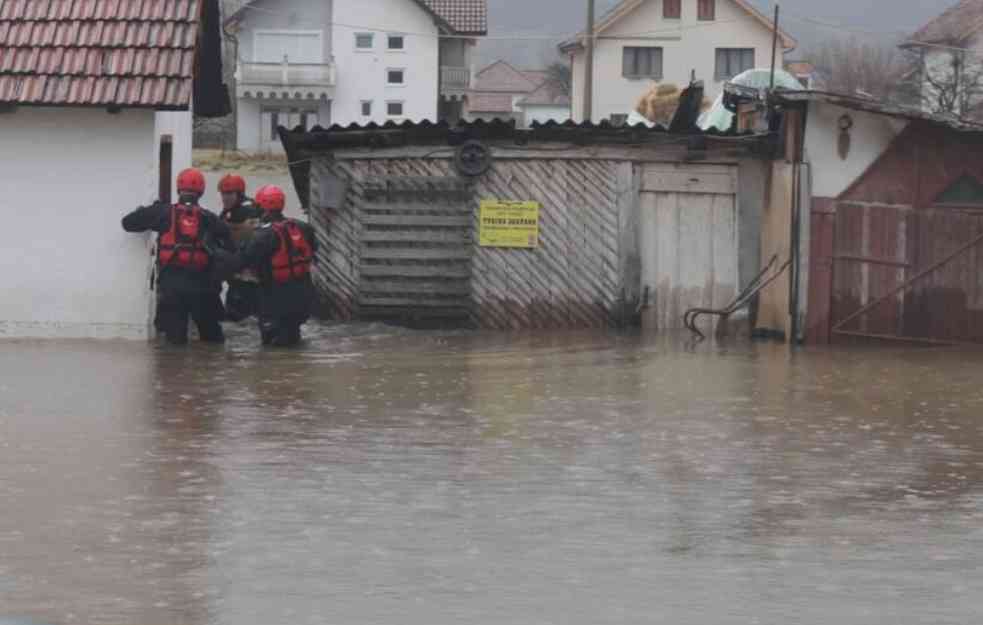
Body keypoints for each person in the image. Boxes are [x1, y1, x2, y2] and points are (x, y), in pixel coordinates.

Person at [122, 168, 232, 345]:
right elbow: (229, 243)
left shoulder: (162, 212)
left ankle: (175, 370)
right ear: (201, 191)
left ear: (178, 189)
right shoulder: (209, 217)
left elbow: (127, 223)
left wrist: (145, 210)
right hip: (203, 286)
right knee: (213, 341)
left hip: (172, 286)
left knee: (174, 344)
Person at [235, 185, 317, 347]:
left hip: (275, 298)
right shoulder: (303, 228)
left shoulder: (263, 235)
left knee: (272, 346)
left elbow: (243, 260)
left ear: (262, 208)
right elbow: (313, 249)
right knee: (293, 337)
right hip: (302, 296)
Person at [217, 173, 263, 322]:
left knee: (239, 317)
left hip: (248, 276)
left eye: (229, 194)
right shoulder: (230, 211)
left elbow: (252, 239)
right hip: (238, 274)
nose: (225, 197)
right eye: (223, 194)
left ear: (239, 194)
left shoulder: (249, 210)